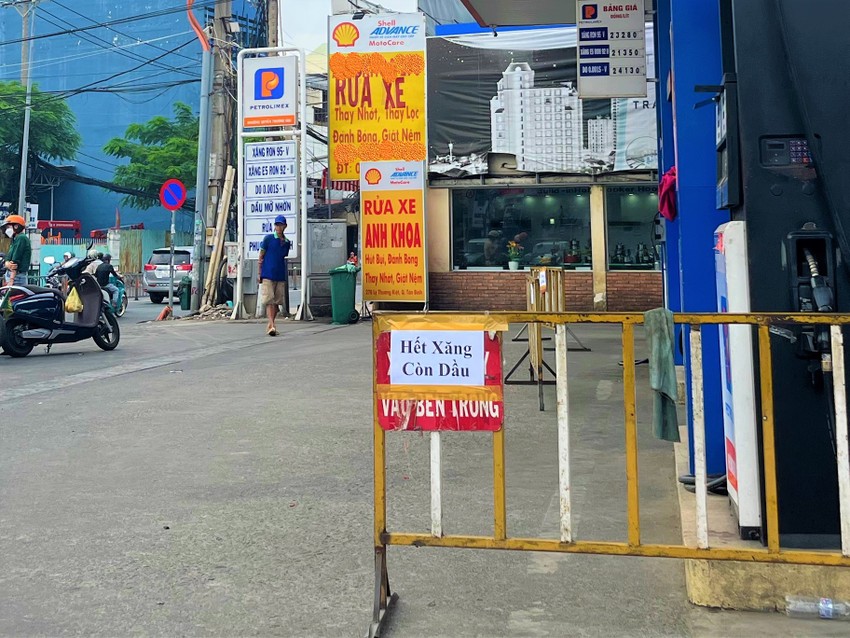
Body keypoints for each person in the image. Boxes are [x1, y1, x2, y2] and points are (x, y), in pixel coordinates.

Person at [258, 214, 291, 336]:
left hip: (279, 274)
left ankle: (271, 323)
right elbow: (261, 256)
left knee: (276, 302)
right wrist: (259, 273)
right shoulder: (268, 239)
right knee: (269, 300)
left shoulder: (286, 242)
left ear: (285, 226)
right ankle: (272, 325)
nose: (279, 227)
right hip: (267, 273)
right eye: (277, 224)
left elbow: (283, 256)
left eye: (281, 225)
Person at [2, 215, 31, 286]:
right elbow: (8, 258)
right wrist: (7, 263)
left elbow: (15, 262)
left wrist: (11, 280)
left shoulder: (21, 238)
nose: (7, 230)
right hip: (12, 275)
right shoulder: (15, 240)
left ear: (16, 226)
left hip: (16, 277)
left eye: (8, 227)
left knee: (14, 296)